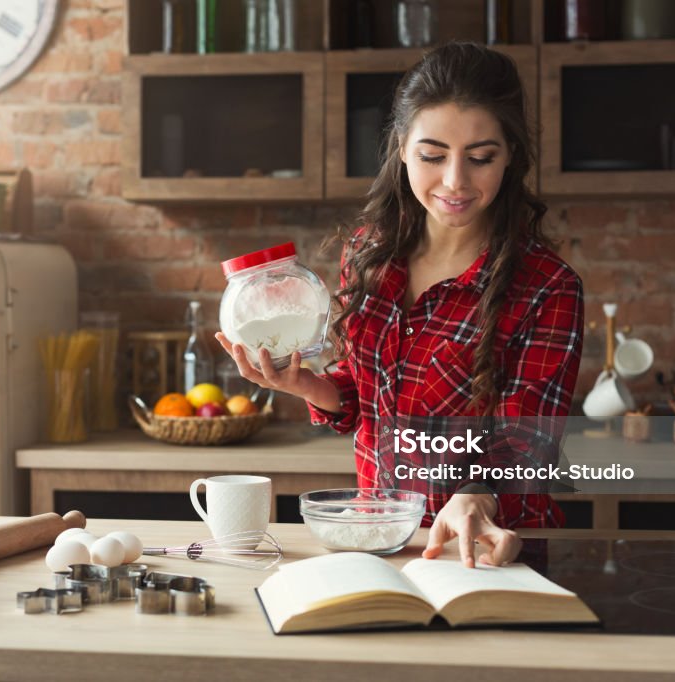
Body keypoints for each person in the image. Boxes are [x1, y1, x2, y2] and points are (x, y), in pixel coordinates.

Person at [216, 42, 583, 568]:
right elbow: (363, 391)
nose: (455, 180)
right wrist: (305, 385)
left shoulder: (547, 286)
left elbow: (526, 444)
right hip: (382, 542)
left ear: (511, 158)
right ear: (403, 148)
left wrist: (476, 495)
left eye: (481, 158)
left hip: (491, 552)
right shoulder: (369, 254)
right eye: (433, 155)